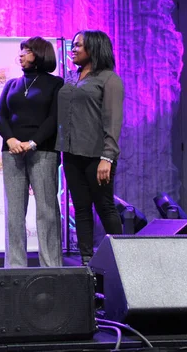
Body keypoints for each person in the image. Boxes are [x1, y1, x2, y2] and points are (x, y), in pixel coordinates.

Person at [56, 29, 125, 266]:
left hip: (98, 155)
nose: (73, 49)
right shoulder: (72, 77)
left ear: (94, 49)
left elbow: (113, 120)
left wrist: (108, 157)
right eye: (73, 45)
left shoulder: (109, 79)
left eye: (78, 46)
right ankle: (86, 260)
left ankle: (120, 258)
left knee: (104, 205)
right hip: (72, 153)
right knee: (81, 207)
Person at [0, 36, 64, 268]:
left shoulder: (55, 84)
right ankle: (15, 267)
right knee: (14, 213)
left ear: (39, 54)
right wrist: (12, 139)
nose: (21, 55)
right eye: (21, 51)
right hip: (13, 152)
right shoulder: (12, 84)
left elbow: (55, 117)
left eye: (26, 51)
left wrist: (33, 142)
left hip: (43, 151)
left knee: (46, 210)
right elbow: (0, 116)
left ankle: (51, 265)